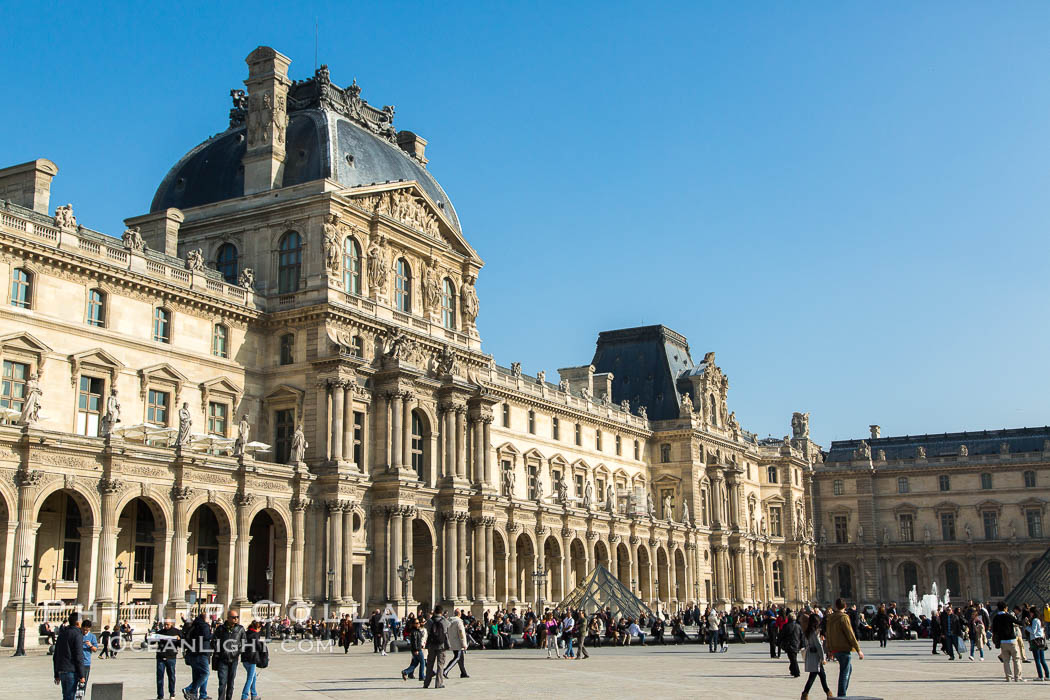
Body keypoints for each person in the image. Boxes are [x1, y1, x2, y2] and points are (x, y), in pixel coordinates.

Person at [825, 598, 863, 698]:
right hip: (844, 648)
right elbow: (850, 634)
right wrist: (858, 650)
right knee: (844, 673)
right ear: (845, 606)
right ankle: (841, 695)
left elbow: (828, 634)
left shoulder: (830, 617)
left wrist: (829, 649)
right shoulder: (844, 617)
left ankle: (842, 693)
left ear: (836, 606)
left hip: (835, 648)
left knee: (848, 669)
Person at [212, 610, 245, 700]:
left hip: (234, 659)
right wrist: (220, 651)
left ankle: (229, 698)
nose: (236, 619)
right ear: (228, 618)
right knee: (222, 682)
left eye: (237, 617)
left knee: (231, 682)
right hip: (223, 659)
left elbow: (244, 643)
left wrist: (237, 652)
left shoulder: (240, 629)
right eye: (234, 617)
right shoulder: (220, 629)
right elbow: (214, 641)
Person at [53, 611, 86, 700]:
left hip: (62, 669)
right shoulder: (77, 635)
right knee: (71, 696)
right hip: (71, 670)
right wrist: (82, 675)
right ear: (78, 622)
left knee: (66, 696)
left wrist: (56, 673)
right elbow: (78, 655)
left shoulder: (62, 634)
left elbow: (56, 655)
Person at [800, 612, 832, 700]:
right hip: (815, 657)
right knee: (814, 676)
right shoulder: (814, 632)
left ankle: (828, 692)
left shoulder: (808, 631)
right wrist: (823, 658)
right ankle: (805, 693)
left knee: (821, 675)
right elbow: (819, 646)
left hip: (812, 656)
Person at [182, 612, 213, 700]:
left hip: (193, 652)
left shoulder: (194, 625)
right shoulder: (204, 626)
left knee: (197, 674)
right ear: (205, 618)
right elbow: (206, 636)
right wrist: (213, 635)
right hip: (202, 652)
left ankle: (195, 695)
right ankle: (190, 689)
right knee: (205, 673)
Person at [150, 618, 182, 700]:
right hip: (161, 656)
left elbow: (181, 644)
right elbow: (152, 642)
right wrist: (150, 638)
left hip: (171, 656)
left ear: (171, 624)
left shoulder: (176, 632)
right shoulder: (160, 632)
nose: (166, 626)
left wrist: (179, 639)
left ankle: (172, 693)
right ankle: (160, 695)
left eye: (167, 624)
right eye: (165, 624)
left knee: (171, 676)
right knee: (160, 677)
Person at [992, 601, 1023, 682]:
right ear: (1005, 608)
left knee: (1006, 661)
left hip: (1003, 641)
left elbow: (994, 630)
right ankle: (1017, 677)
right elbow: (1019, 623)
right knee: (1016, 659)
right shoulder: (1008, 616)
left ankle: (1008, 677)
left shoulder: (996, 618)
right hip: (1012, 640)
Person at [423, 606, 449, 689]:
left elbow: (426, 627)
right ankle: (438, 683)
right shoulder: (444, 621)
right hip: (441, 645)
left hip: (431, 644)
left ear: (434, 611)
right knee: (440, 664)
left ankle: (426, 683)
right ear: (441, 612)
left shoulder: (430, 621)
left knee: (430, 664)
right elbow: (448, 627)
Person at [239, 620, 267, 700]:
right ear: (257, 628)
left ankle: (254, 694)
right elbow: (258, 646)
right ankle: (244, 696)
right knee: (250, 678)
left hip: (244, 658)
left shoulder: (246, 633)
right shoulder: (255, 635)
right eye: (260, 629)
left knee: (253, 677)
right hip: (252, 658)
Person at [443, 609, 469, 679]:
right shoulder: (459, 622)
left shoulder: (449, 621)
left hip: (451, 641)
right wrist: (464, 644)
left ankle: (463, 673)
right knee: (457, 657)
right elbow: (461, 634)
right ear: (459, 614)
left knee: (461, 658)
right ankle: (445, 670)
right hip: (458, 642)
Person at [401, 617, 426, 682]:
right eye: (417, 623)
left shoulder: (416, 631)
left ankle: (405, 672)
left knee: (415, 663)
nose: (418, 624)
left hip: (416, 649)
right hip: (417, 649)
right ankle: (421, 676)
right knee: (422, 662)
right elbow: (414, 641)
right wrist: (416, 650)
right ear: (413, 624)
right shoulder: (414, 632)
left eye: (419, 623)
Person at [779, 612, 803, 678]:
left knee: (793, 659)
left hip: (789, 644)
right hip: (796, 644)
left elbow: (782, 635)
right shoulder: (798, 626)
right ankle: (792, 670)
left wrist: (779, 642)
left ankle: (797, 672)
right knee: (793, 658)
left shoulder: (786, 626)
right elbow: (801, 636)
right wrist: (802, 644)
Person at [80, 619, 98, 686]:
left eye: (86, 630)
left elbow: (95, 649)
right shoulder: (78, 635)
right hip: (76, 662)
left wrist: (90, 645)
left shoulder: (92, 636)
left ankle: (82, 695)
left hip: (86, 662)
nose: (84, 631)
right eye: (83, 630)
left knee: (83, 684)